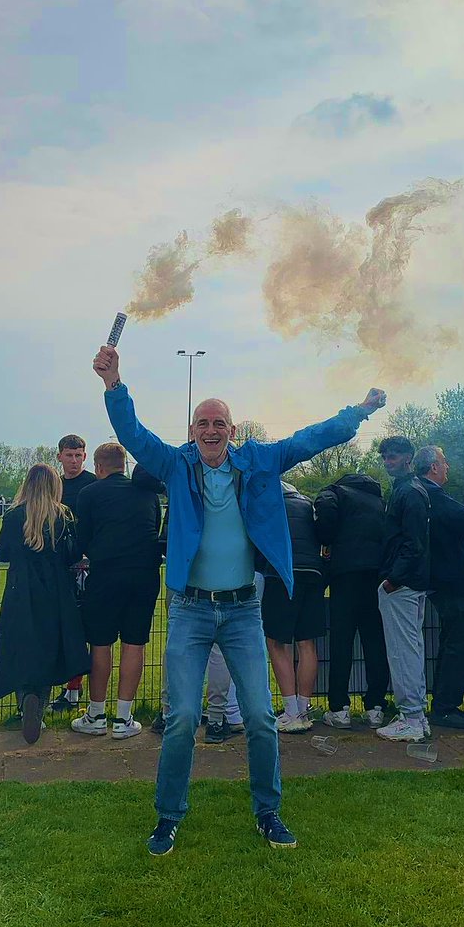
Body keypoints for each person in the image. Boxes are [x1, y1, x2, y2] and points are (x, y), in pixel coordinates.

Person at [93, 341, 385, 855]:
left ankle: (268, 812)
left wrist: (356, 413)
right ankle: (168, 817)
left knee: (259, 716)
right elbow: (133, 435)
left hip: (242, 610)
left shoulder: (259, 462)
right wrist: (115, 385)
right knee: (183, 718)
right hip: (190, 611)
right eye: (202, 423)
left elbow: (310, 439)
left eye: (219, 424)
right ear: (192, 433)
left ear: (233, 431)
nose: (210, 430)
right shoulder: (175, 465)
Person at [0, 464, 91, 744]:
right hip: (56, 594)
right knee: (49, 647)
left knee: (21, 645)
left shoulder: (13, 516)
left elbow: (1, 552)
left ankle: (25, 703)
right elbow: (73, 554)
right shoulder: (63, 516)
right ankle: (41, 704)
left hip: (20, 592)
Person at [71, 445, 164, 739]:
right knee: (135, 644)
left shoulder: (89, 494)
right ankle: (124, 719)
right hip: (144, 576)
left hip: (105, 575)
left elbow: (81, 538)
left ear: (98, 467)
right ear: (123, 465)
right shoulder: (148, 494)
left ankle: (96, 714)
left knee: (100, 644)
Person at [413, 445, 464, 730]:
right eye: (444, 462)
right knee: (458, 645)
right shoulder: (435, 496)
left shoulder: (422, 495)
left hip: (439, 582)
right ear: (433, 467)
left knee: (449, 644)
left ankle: (443, 704)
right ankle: (446, 707)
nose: (447, 467)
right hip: (451, 584)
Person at [314, 472, 389, 729]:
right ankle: (375, 707)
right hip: (375, 574)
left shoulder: (335, 491)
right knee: (375, 642)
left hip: (344, 572)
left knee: (341, 641)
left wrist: (326, 538)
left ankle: (339, 708)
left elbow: (324, 508)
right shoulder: (378, 499)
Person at [373, 436, 431, 743]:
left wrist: (392, 580)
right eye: (385, 457)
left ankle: (410, 717)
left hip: (402, 585)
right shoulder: (410, 490)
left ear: (408, 457)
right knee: (412, 649)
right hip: (410, 583)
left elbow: (413, 544)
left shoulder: (408, 492)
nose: (387, 462)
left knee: (402, 652)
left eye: (393, 457)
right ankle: (416, 715)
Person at [261, 481, 326, 734]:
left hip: (282, 574)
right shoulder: (306, 504)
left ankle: (290, 712)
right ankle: (303, 708)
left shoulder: (270, 504)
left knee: (277, 642)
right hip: (313, 573)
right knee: (306, 643)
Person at [51, 433, 97, 712]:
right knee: (60, 627)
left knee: (82, 628)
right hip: (59, 565)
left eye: (79, 455)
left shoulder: (93, 484)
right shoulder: (52, 485)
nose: (74, 460)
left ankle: (75, 690)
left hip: (87, 567)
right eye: (69, 455)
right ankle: (61, 686)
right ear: (59, 456)